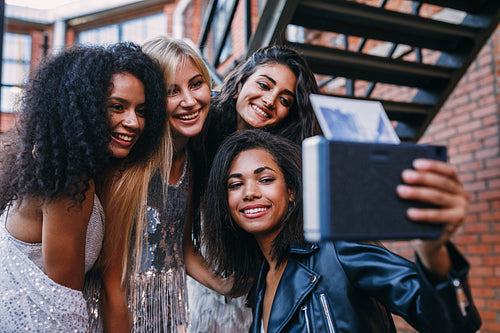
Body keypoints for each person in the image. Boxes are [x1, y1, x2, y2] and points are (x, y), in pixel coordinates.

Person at [202, 129, 482, 333]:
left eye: (265, 179)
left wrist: (432, 248)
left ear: (291, 192)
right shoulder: (261, 278)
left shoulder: (336, 248)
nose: (250, 193)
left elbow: (450, 323)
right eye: (235, 184)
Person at [0, 42, 167, 332]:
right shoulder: (70, 178)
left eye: (141, 110)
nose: (134, 122)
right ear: (82, 107)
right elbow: (61, 310)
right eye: (117, 107)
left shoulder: (66, 164)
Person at [101, 35, 236, 333]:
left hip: (170, 310)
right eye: (172, 91)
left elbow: (180, 247)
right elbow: (113, 284)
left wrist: (225, 285)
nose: (190, 100)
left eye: (197, 84)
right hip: (120, 314)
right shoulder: (129, 169)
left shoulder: (190, 159)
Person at [187, 44, 323, 333]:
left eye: (285, 99)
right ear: (239, 84)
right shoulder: (198, 132)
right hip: (198, 279)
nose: (270, 100)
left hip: (258, 281)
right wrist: (220, 283)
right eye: (264, 84)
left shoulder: (286, 160)